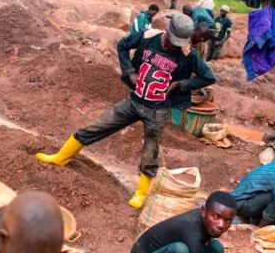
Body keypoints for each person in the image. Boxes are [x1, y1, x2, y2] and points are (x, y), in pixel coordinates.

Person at [35, 14, 216, 209]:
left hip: (157, 110)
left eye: (179, 43)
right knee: (99, 126)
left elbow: (208, 77)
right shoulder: (147, 37)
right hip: (134, 102)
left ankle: (140, 194)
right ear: (167, 30)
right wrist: (129, 71)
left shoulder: (188, 54)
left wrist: (180, 84)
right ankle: (61, 157)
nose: (175, 46)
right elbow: (122, 45)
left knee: (150, 151)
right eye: (173, 41)